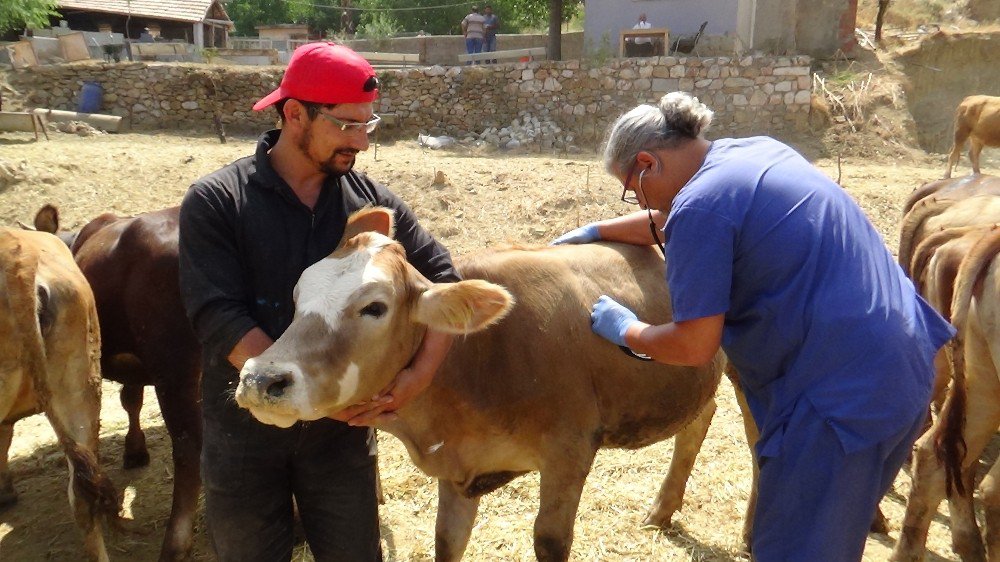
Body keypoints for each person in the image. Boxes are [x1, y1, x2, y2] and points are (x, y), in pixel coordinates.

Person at [551, 91, 955, 561]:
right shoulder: (756, 152)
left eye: (632, 190)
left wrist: (628, 331)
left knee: (793, 549)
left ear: (647, 163)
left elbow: (695, 345)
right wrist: (601, 229)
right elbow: (681, 218)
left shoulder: (701, 206)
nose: (637, 200)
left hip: (838, 402)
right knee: (830, 539)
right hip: (903, 369)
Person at [178, 42, 460, 561]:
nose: (361, 143)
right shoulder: (218, 200)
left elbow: (443, 278)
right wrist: (289, 384)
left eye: (367, 126)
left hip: (340, 441)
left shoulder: (372, 203)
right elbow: (216, 313)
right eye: (346, 125)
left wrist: (414, 380)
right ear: (294, 114)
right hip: (245, 431)